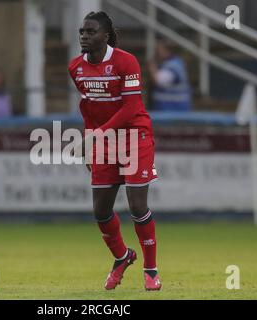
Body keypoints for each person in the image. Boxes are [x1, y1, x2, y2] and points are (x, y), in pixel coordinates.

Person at [68, 11, 161, 291]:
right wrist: (89, 142)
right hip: (104, 142)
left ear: (105, 36)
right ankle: (122, 257)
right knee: (101, 210)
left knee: (137, 205)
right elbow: (87, 109)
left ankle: (151, 270)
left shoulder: (126, 61)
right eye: (82, 31)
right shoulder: (76, 67)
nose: (85, 36)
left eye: (91, 31)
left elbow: (131, 108)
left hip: (135, 136)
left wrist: (97, 135)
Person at [148, 38, 192, 112]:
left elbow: (158, 81)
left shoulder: (173, 66)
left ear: (167, 51)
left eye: (160, 49)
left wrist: (152, 68)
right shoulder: (171, 62)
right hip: (169, 108)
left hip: (173, 109)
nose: (157, 52)